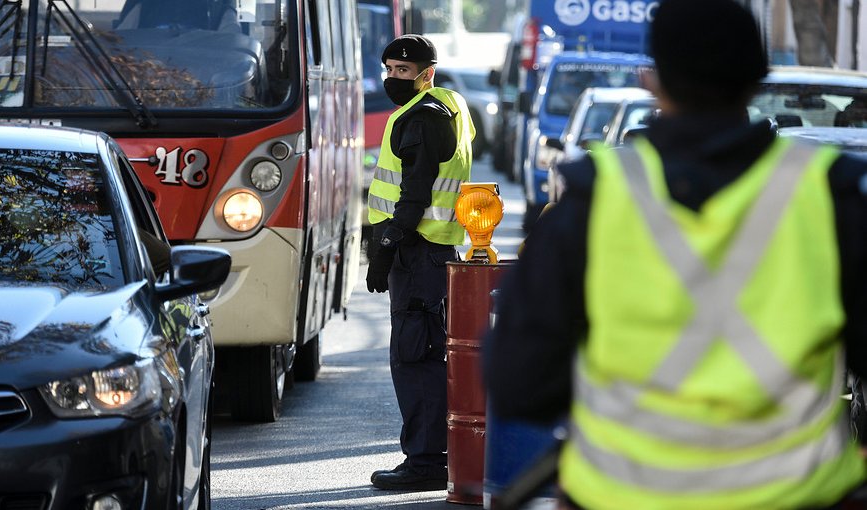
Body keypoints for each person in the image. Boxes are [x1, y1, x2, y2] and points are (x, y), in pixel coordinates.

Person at [483, 0, 867, 508]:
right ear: (756, 78)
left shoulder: (596, 199)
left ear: (652, 81)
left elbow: (518, 383)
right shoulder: (830, 195)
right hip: (795, 496)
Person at [365, 34, 475, 491]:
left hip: (418, 252)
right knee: (424, 353)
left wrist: (387, 243)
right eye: (389, 69)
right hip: (429, 251)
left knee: (416, 357)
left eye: (403, 72)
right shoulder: (449, 105)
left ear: (426, 73)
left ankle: (428, 460)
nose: (393, 78)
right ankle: (431, 455)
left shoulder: (425, 116)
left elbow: (415, 192)